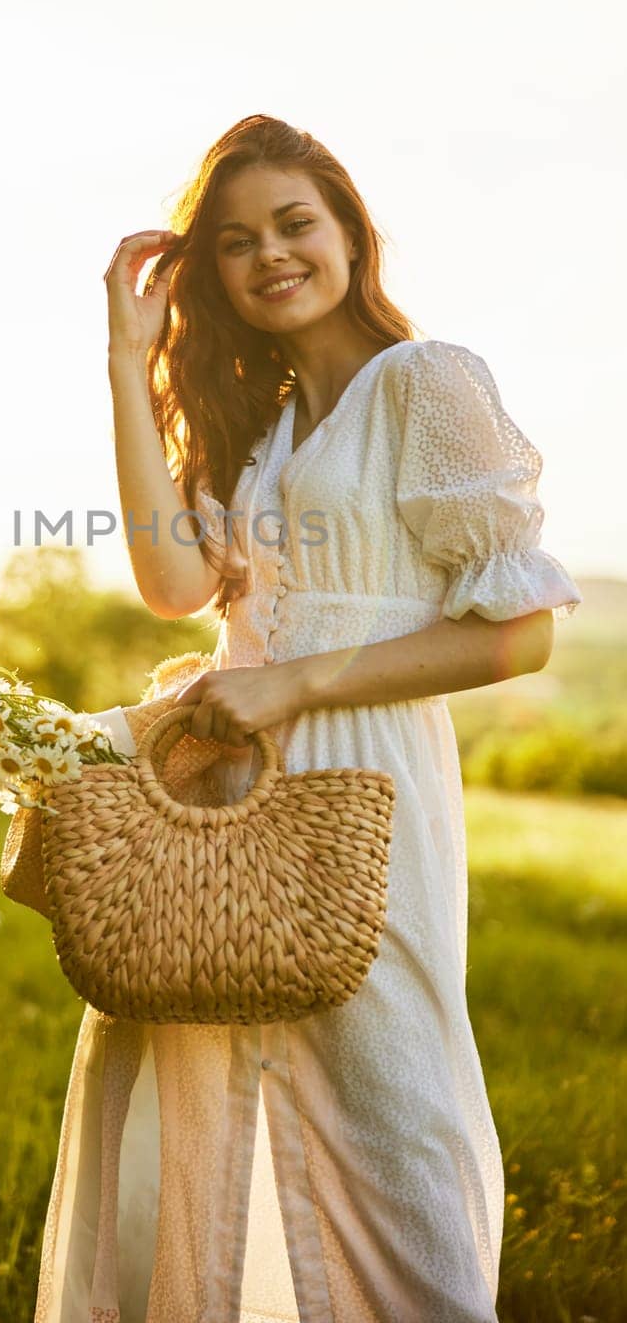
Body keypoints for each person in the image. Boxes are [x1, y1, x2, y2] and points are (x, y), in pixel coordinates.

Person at [32, 114, 582, 1323]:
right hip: (235, 792)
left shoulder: (425, 381)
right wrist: (130, 360)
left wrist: (295, 684)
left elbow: (517, 628)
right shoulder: (268, 425)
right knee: (211, 1093)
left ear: (346, 232)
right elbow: (173, 587)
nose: (269, 255)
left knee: (392, 1114)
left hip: (363, 780)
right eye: (234, 242)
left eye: (293, 223)